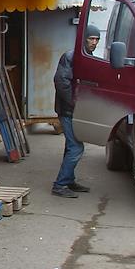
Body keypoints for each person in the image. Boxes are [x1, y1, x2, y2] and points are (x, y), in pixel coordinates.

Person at [52, 26, 99, 198]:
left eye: (97, 39)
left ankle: (69, 180)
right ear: (83, 39)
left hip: (76, 111)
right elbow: (61, 81)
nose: (94, 42)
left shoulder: (88, 57)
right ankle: (60, 185)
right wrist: (74, 103)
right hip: (68, 111)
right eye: (91, 38)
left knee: (70, 147)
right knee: (76, 148)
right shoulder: (71, 56)